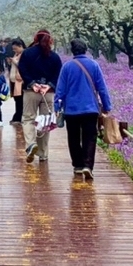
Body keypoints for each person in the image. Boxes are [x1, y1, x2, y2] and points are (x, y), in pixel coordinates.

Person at [54, 38, 112, 181]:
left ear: (73, 51)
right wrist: (107, 106)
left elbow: (60, 90)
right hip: (90, 109)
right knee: (90, 138)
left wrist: (57, 106)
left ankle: (78, 165)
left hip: (71, 110)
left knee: (73, 138)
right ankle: (88, 166)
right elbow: (102, 88)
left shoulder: (67, 67)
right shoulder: (94, 65)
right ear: (86, 49)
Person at [17, 30, 62, 163]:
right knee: (45, 122)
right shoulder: (54, 56)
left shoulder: (27, 53)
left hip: (31, 92)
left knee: (28, 119)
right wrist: (49, 85)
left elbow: (22, 69)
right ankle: (43, 153)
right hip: (48, 94)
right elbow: (58, 73)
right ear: (50, 40)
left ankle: (31, 144)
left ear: (36, 38)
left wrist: (32, 83)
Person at [6, 37, 26, 125]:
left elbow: (23, 66)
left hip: (20, 82)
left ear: (20, 46)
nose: (14, 51)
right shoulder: (17, 55)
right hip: (14, 80)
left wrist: (14, 61)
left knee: (20, 100)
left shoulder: (25, 54)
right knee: (17, 99)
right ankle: (17, 116)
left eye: (15, 48)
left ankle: (19, 117)